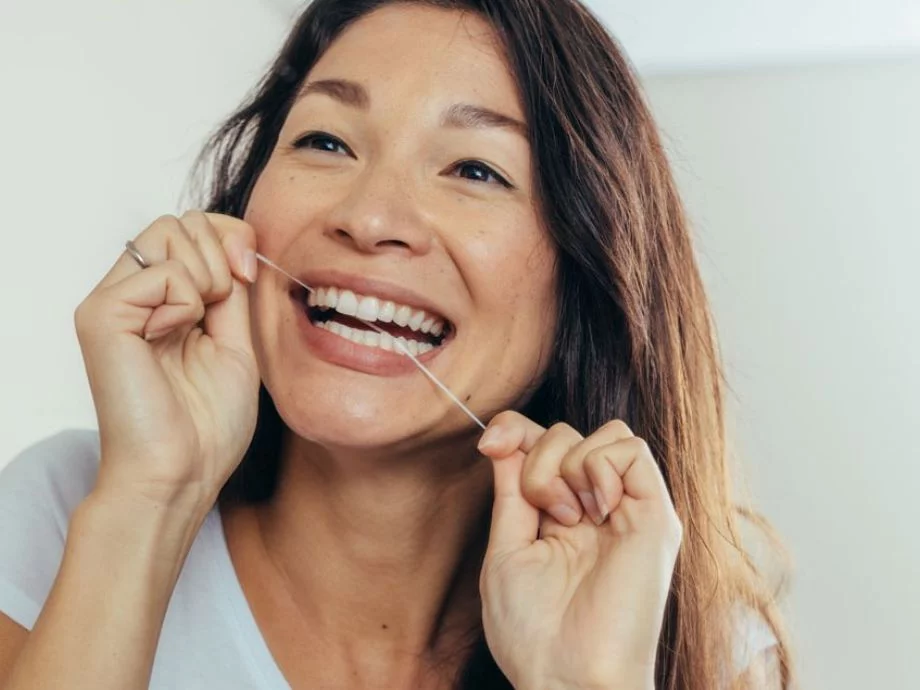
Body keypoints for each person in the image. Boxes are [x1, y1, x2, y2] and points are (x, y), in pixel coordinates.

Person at [0, 0, 795, 688]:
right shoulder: (66, 512)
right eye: (327, 142)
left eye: (476, 170)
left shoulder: (693, 641)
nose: (369, 217)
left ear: (585, 271)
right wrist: (152, 502)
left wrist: (582, 682)